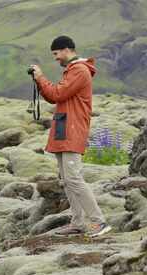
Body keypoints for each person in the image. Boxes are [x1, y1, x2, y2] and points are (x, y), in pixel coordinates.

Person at [29, 36, 112, 238]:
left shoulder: (80, 70)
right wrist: (39, 81)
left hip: (73, 129)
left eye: (56, 54)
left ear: (67, 50)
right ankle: (77, 222)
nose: (56, 58)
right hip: (63, 128)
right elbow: (52, 96)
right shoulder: (72, 71)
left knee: (73, 177)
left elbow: (57, 94)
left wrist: (41, 77)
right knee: (66, 179)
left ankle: (98, 221)